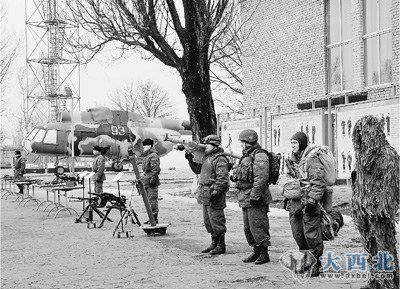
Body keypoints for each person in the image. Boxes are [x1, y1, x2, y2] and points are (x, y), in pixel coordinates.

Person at [352, 115, 399, 289]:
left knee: (384, 249)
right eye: (359, 134)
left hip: (378, 216)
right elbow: (360, 183)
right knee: (370, 247)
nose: (363, 138)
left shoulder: (388, 155)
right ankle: (376, 281)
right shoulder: (362, 158)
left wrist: (381, 210)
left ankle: (390, 283)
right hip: (363, 212)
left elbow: (391, 188)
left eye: (365, 133)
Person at [285, 131, 325, 277]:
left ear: (301, 143)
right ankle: (306, 261)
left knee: (312, 235)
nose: (292, 145)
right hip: (295, 203)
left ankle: (316, 264)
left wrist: (313, 200)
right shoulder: (293, 160)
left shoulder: (312, 160)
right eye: (291, 142)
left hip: (308, 203)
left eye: (295, 142)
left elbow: (318, 183)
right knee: (298, 234)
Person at [231, 129, 272, 265]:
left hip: (255, 197)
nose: (241, 145)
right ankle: (256, 251)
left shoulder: (259, 155)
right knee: (248, 228)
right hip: (245, 197)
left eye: (243, 142)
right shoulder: (246, 156)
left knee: (258, 225)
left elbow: (261, 177)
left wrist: (255, 195)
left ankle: (263, 253)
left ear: (248, 141)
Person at [185, 135, 230, 255]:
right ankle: (214, 243)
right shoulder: (208, 158)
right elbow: (198, 170)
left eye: (208, 145)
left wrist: (215, 192)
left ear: (215, 146)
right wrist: (190, 159)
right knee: (208, 221)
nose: (205, 147)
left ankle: (221, 245)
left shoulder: (220, 159)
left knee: (217, 220)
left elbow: (222, 179)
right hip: (205, 193)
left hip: (214, 193)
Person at [141, 138, 161, 224]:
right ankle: (151, 218)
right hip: (147, 180)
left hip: (151, 181)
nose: (143, 148)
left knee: (153, 200)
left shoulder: (153, 156)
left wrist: (152, 180)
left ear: (149, 146)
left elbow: (155, 169)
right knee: (149, 200)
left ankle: (154, 218)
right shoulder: (148, 155)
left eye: (144, 146)